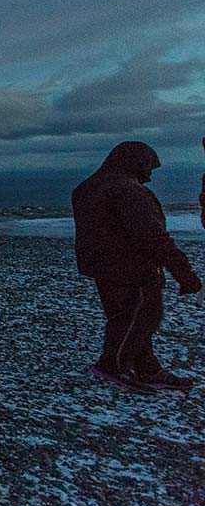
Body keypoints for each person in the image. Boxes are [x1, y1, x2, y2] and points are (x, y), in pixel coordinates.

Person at [72, 141, 202, 393]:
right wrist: (184, 274)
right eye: (148, 167)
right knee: (143, 316)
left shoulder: (87, 188)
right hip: (131, 269)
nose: (150, 175)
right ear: (135, 162)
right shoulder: (127, 191)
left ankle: (146, 367)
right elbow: (152, 237)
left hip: (101, 266)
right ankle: (112, 365)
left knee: (128, 318)